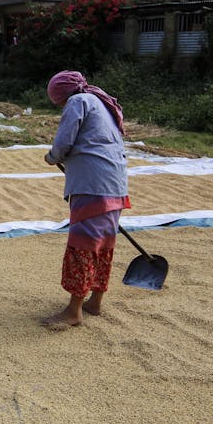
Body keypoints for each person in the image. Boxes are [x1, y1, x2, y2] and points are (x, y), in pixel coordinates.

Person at [41, 70, 130, 329]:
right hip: (114, 184)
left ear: (60, 95)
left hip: (92, 184)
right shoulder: (100, 102)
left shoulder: (78, 102)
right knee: (102, 244)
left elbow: (64, 142)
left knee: (83, 245)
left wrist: (52, 156)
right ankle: (95, 302)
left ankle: (74, 311)